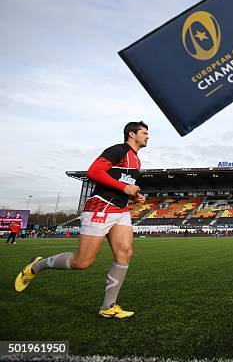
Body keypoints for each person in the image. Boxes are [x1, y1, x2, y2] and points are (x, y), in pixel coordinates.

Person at [15, 121, 149, 319]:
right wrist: (124, 189)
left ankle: (108, 307)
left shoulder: (136, 161)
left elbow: (121, 184)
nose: (147, 136)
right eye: (144, 132)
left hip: (120, 210)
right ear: (131, 134)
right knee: (82, 262)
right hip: (100, 207)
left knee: (125, 253)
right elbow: (93, 172)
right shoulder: (117, 150)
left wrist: (134, 196)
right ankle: (37, 266)